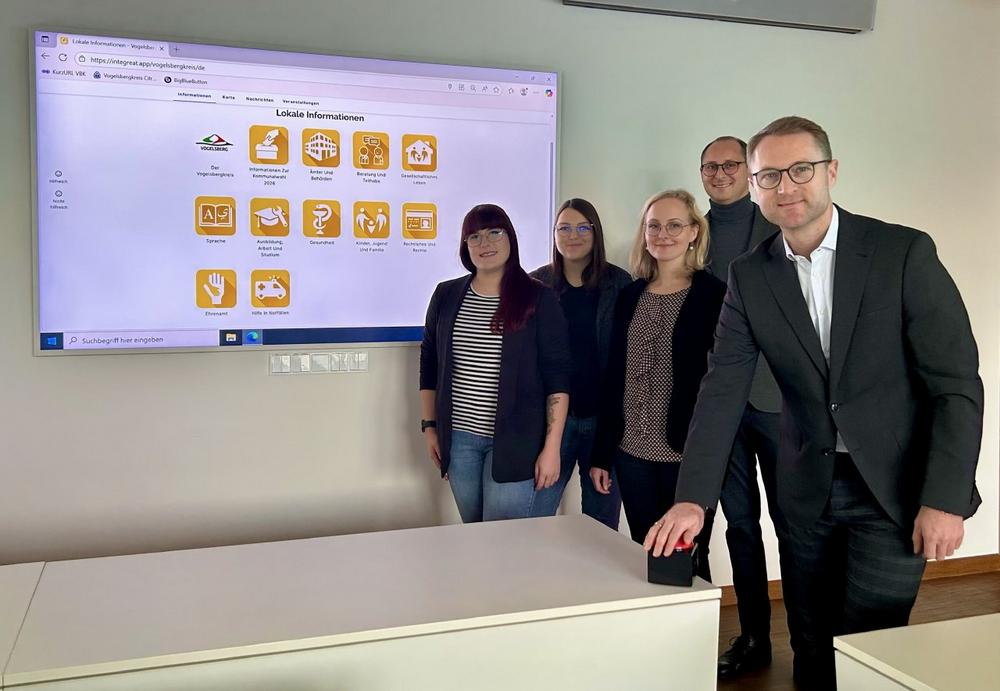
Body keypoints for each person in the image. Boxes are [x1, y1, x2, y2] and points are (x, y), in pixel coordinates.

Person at [648, 117, 983, 689]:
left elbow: (955, 384)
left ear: (831, 171)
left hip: (895, 491)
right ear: (754, 187)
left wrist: (944, 498)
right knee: (809, 640)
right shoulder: (750, 275)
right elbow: (722, 387)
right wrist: (692, 499)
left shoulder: (900, 251)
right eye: (769, 176)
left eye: (800, 169)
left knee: (871, 650)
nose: (785, 186)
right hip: (806, 487)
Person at [589, 189, 725, 581]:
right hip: (631, 453)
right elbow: (614, 377)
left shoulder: (714, 295)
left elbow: (723, 383)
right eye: (654, 226)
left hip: (687, 457)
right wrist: (602, 454)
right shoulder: (630, 295)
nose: (662, 234)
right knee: (645, 550)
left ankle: (694, 621)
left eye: (674, 225)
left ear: (694, 232)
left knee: (688, 556)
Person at [419, 203, 572, 522]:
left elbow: (557, 377)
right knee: (474, 532)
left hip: (518, 441)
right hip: (459, 440)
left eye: (494, 232)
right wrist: (430, 427)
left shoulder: (538, 297)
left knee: (504, 539)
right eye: (474, 236)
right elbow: (430, 363)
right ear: (465, 246)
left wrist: (552, 447)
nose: (484, 243)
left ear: (510, 237)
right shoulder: (446, 295)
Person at [700, 135, 783, 679]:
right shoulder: (692, 232)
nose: (720, 173)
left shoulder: (778, 225)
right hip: (722, 404)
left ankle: (812, 635)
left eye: (731, 164)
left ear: (749, 172)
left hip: (779, 402)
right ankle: (755, 638)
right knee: (741, 525)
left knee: (795, 523)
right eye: (710, 166)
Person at [529, 198, 632, 529]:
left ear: (595, 232)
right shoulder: (534, 286)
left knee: (600, 527)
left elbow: (626, 360)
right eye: (564, 228)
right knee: (533, 520)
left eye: (582, 228)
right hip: (550, 424)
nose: (572, 236)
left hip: (603, 423)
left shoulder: (620, 284)